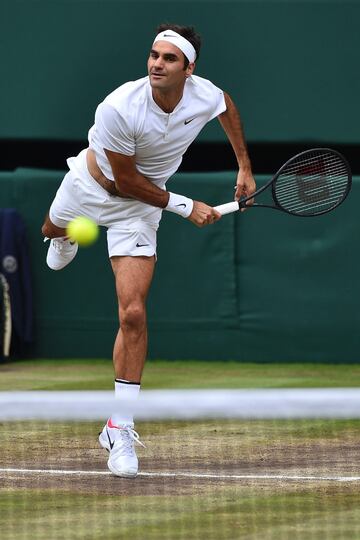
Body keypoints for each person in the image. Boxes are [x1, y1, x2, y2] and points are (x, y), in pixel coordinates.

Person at [41, 23, 256, 478]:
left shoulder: (204, 93)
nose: (157, 64)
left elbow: (227, 107)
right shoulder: (119, 106)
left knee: (133, 314)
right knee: (51, 227)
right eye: (154, 55)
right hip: (90, 186)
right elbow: (125, 180)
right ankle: (61, 236)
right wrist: (186, 206)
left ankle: (119, 426)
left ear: (189, 69)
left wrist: (244, 166)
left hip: (137, 213)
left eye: (169, 59)